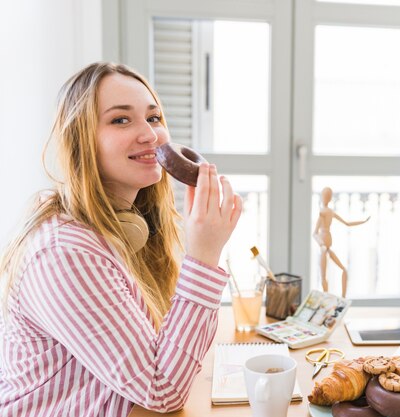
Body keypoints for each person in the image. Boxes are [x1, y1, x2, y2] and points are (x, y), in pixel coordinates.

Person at [0, 62, 242, 416]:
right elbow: (161, 390)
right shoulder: (65, 254)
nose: (150, 135)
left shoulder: (125, 229)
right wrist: (204, 255)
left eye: (154, 117)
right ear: (82, 140)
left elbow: (160, 356)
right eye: (120, 120)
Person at [312, 187, 370, 297]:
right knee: (324, 276)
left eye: (328, 196)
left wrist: (363, 221)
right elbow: (314, 233)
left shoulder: (330, 212)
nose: (327, 199)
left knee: (343, 270)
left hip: (328, 245)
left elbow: (347, 223)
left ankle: (343, 298)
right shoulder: (322, 213)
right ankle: (326, 298)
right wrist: (321, 244)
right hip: (324, 247)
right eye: (326, 196)